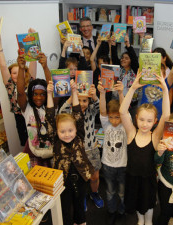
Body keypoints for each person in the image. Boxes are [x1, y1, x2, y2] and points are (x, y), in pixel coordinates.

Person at [119, 71, 170, 225]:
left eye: (149, 121)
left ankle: (148, 222)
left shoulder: (155, 137)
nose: (144, 124)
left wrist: (165, 90)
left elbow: (166, 116)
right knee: (134, 202)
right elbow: (122, 111)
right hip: (132, 177)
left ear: (155, 121)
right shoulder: (131, 133)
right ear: (136, 119)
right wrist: (133, 88)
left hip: (148, 179)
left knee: (148, 204)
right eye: (141, 119)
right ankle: (140, 221)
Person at [46, 79, 95, 225]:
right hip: (62, 179)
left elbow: (78, 113)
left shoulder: (79, 136)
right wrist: (49, 94)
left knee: (80, 203)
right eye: (62, 131)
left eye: (70, 130)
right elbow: (49, 118)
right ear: (57, 132)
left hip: (81, 176)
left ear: (76, 129)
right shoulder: (55, 140)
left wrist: (75, 92)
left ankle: (80, 222)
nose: (67, 134)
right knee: (64, 206)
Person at [59, 85, 104, 209]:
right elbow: (61, 112)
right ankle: (82, 197)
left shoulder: (91, 109)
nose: (82, 104)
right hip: (77, 151)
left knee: (94, 176)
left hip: (92, 149)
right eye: (78, 100)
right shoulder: (70, 112)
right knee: (81, 179)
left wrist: (94, 96)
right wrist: (71, 96)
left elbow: (100, 107)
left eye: (84, 100)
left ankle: (94, 193)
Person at [0, 29, 37, 146]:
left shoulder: (30, 80)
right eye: (14, 73)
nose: (17, 75)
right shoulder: (10, 84)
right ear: (10, 75)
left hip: (33, 114)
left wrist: (32, 40)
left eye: (19, 72)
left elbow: (33, 61)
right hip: (19, 117)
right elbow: (2, 65)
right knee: (26, 143)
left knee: (37, 142)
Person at [98, 80, 127, 225]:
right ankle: (111, 211)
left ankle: (121, 211)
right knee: (110, 191)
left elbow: (125, 111)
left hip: (122, 165)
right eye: (111, 117)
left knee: (122, 192)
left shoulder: (126, 126)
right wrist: (102, 94)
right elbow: (103, 111)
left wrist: (121, 93)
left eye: (117, 117)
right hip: (108, 165)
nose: (114, 121)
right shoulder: (106, 124)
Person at [17, 52, 53, 167]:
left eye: (42, 94)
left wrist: (45, 67)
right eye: (35, 94)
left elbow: (51, 86)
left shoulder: (50, 107)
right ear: (31, 95)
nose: (38, 97)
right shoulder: (27, 108)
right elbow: (20, 92)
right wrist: (21, 69)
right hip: (33, 151)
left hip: (51, 152)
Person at [111, 34, 139, 116]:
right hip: (118, 101)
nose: (123, 59)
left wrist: (128, 45)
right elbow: (114, 57)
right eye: (122, 57)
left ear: (131, 61)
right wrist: (113, 45)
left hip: (132, 103)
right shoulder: (119, 69)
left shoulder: (135, 70)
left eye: (126, 58)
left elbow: (134, 58)